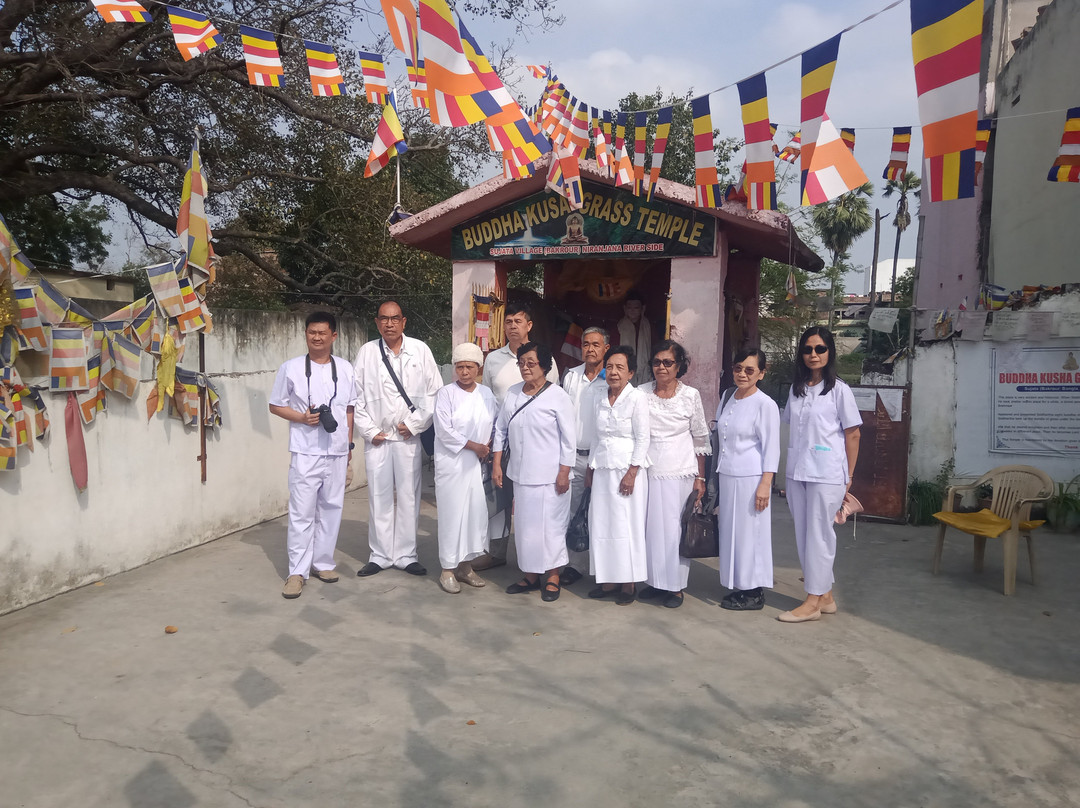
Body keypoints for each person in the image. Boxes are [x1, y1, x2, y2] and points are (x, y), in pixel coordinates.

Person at [269, 312, 356, 599]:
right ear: (306, 334)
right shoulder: (290, 368)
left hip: (337, 449)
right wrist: (300, 417)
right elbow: (275, 405)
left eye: (322, 332)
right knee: (302, 512)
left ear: (334, 336)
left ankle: (323, 563)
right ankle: (297, 572)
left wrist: (350, 446)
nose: (316, 337)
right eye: (311, 332)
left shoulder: (345, 368)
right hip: (305, 449)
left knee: (331, 508)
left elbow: (349, 409)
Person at [352, 300, 442, 578]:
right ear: (377, 322)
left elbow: (434, 393)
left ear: (404, 322)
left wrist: (414, 425)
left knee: (408, 495)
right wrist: (369, 430)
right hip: (377, 438)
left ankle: (405, 554)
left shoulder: (420, 350)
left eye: (394, 319)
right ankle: (379, 554)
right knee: (378, 495)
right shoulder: (367, 352)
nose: (389, 323)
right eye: (384, 319)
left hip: (407, 437)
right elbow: (355, 396)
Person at [779, 327, 861, 623]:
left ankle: (812, 601)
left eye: (820, 349)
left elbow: (853, 434)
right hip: (797, 471)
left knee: (819, 535)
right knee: (804, 534)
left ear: (830, 352)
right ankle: (825, 597)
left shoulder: (839, 390)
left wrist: (848, 475)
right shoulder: (796, 388)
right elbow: (791, 428)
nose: (813, 354)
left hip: (827, 473)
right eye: (808, 349)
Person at [473, 302, 559, 572]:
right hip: (500, 442)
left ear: (529, 325)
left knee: (531, 503)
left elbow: (552, 400)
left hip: (534, 444)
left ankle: (537, 558)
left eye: (518, 321)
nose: (512, 326)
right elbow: (486, 398)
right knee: (499, 499)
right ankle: (497, 552)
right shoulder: (493, 359)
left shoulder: (545, 359)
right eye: (508, 321)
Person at [492, 343, 576, 603]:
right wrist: (497, 464)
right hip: (521, 474)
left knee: (551, 527)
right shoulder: (513, 393)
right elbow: (501, 431)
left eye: (531, 362)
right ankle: (530, 575)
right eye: (522, 363)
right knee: (527, 528)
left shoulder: (558, 396)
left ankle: (552, 576)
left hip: (552, 476)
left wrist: (564, 471)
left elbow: (568, 439)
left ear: (544, 366)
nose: (525, 367)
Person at [638, 341, 710, 609]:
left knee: (674, 530)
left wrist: (700, 479)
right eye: (657, 362)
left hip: (680, 471)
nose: (661, 367)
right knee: (651, 529)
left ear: (679, 366)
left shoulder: (690, 395)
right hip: (648, 470)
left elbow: (700, 438)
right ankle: (655, 583)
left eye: (668, 362)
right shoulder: (640, 393)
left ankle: (676, 587)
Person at [715, 348, 780, 611]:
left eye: (749, 370)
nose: (742, 374)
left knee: (751, 534)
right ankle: (739, 583)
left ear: (761, 373)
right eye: (738, 368)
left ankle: (754, 591)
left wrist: (766, 483)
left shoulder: (765, 404)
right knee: (732, 533)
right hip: (727, 474)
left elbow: (772, 448)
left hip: (752, 477)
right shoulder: (728, 396)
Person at [586, 346, 651, 605]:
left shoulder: (637, 398)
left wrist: (632, 472)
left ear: (631, 372)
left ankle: (629, 583)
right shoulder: (600, 397)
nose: (613, 372)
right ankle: (608, 580)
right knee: (602, 524)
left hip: (627, 471)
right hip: (602, 468)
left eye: (619, 367)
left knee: (627, 526)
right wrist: (591, 468)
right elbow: (595, 435)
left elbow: (643, 438)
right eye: (609, 367)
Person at [432, 343, 498, 594]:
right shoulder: (446, 394)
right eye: (460, 366)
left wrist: (488, 447)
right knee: (452, 516)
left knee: (474, 515)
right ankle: (447, 569)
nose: (464, 371)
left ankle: (465, 566)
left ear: (478, 369)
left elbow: (494, 424)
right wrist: (475, 446)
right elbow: (444, 431)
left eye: (469, 367)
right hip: (452, 464)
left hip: (476, 465)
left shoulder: (487, 395)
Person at [559, 326, 610, 586]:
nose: (590, 349)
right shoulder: (571, 376)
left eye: (596, 344)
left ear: (606, 349)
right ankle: (574, 566)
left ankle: (604, 569)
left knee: (601, 513)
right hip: (573, 455)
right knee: (573, 511)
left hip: (602, 459)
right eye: (586, 344)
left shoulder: (611, 377)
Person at [616, 290, 653, 384]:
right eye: (629, 307)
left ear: (642, 308)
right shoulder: (619, 327)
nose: (632, 310)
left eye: (636, 308)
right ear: (624, 309)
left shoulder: (648, 326)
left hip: (644, 368)